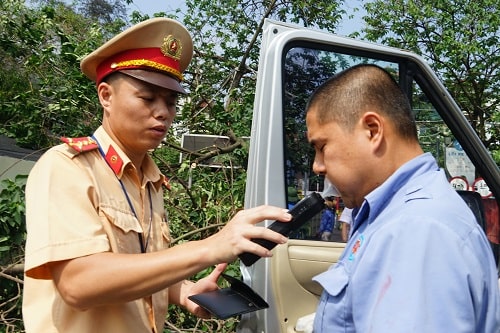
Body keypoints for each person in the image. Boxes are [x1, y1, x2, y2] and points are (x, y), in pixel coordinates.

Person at [22, 18, 292, 333]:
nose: (163, 112)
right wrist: (208, 247)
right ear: (106, 96)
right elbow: (78, 283)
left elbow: (135, 269)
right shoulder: (69, 168)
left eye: (171, 101)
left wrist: (184, 290)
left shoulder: (151, 181)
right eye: (148, 98)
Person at [306, 64, 500, 332]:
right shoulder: (391, 214)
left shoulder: (417, 231)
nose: (317, 166)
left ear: (372, 130)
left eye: (321, 146)